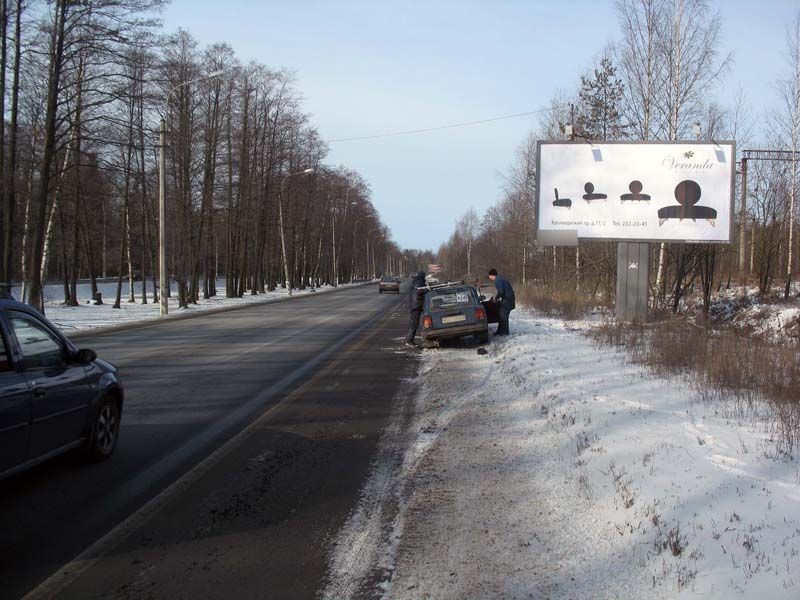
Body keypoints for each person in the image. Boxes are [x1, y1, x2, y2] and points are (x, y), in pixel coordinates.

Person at [488, 268, 515, 336]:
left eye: (489, 276)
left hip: (507, 300)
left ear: (492, 275)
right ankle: (500, 331)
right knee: (501, 314)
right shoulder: (501, 279)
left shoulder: (498, 280)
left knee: (503, 316)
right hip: (509, 299)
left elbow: (501, 292)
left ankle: (505, 333)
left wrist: (496, 298)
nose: (489, 278)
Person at [405, 270, 427, 346]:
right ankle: (409, 341)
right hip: (416, 306)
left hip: (415, 306)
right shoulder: (419, 282)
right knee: (414, 324)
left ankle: (410, 340)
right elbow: (419, 290)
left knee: (414, 324)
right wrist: (426, 290)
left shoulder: (416, 281)